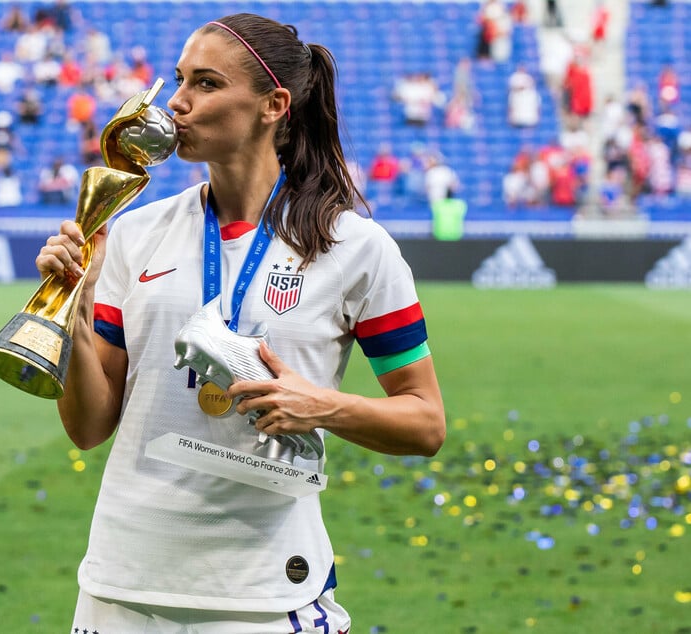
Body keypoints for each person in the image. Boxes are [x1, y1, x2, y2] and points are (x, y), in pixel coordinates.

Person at [33, 13, 445, 632]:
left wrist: (323, 406)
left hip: (263, 597)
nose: (176, 102)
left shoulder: (357, 248)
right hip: (121, 586)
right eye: (178, 80)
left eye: (205, 83)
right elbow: (90, 426)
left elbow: (425, 422)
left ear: (272, 104)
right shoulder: (133, 233)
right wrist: (73, 314)